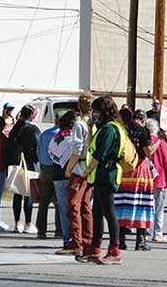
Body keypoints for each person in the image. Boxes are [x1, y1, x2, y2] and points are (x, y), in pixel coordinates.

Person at [77, 96, 127, 265]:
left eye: (96, 110)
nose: (94, 113)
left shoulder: (110, 129)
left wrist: (87, 170)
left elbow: (100, 154)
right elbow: (91, 145)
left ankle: (115, 249)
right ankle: (95, 247)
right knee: (97, 213)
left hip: (107, 174)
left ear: (104, 111)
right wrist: (91, 127)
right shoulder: (103, 127)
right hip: (100, 175)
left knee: (109, 212)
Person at [114, 109, 157, 253]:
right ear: (144, 119)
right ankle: (140, 241)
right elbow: (148, 152)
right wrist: (160, 141)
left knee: (122, 203)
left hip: (124, 169)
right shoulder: (143, 131)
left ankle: (121, 240)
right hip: (140, 169)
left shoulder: (122, 130)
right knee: (141, 204)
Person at [58, 92, 95, 257]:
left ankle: (76, 242)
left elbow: (77, 150)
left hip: (79, 169)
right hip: (90, 168)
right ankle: (88, 240)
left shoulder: (80, 125)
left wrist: (68, 168)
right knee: (86, 206)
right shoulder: (94, 123)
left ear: (79, 106)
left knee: (73, 205)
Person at [6, 104, 40, 234]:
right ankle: (28, 223)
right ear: (32, 115)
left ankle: (16, 223)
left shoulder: (15, 127)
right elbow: (37, 146)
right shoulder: (32, 129)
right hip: (29, 163)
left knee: (17, 192)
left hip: (15, 163)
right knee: (28, 193)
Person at [48, 111, 76, 251]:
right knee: (75, 209)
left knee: (63, 209)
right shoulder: (73, 137)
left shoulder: (57, 136)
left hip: (57, 175)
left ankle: (66, 238)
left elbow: (51, 153)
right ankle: (75, 238)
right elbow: (75, 153)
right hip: (72, 173)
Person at [36, 118, 63, 240]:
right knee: (59, 200)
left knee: (44, 200)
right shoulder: (61, 134)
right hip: (57, 167)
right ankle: (59, 230)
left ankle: (41, 230)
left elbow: (39, 151)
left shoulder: (45, 133)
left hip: (45, 167)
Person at [150, 117, 167, 242]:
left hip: (145, 178)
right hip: (159, 179)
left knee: (146, 205)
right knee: (158, 207)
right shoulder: (160, 143)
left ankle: (143, 230)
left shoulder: (144, 141)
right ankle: (157, 232)